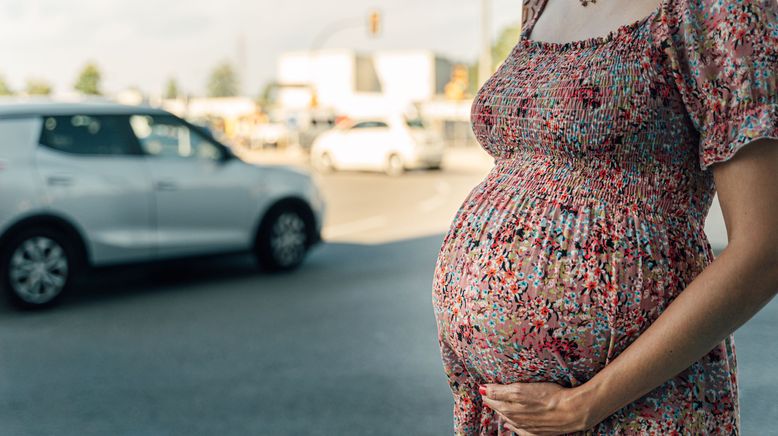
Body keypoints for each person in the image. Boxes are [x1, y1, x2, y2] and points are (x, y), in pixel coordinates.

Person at [430, 0, 778, 434]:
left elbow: (765, 249)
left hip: (629, 404)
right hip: (507, 411)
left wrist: (585, 404)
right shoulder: (541, 4)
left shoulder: (719, 9)